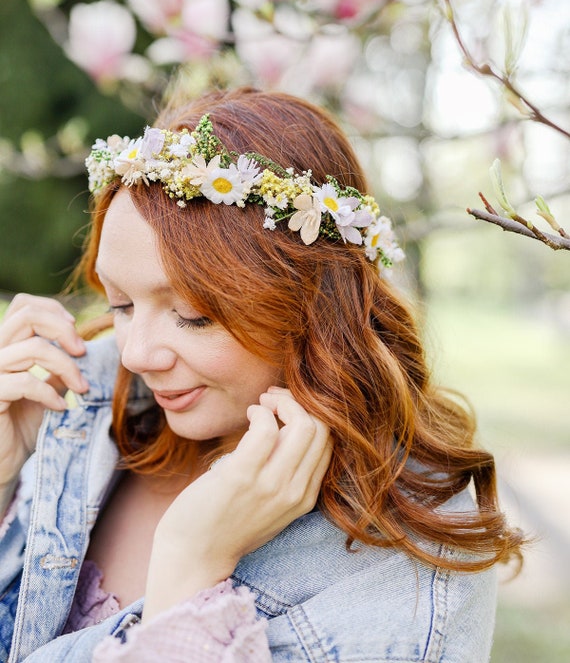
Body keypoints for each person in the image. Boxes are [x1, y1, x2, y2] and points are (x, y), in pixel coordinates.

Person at [0, 86, 524, 663]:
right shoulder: (83, 404)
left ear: (315, 310)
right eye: (121, 304)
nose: (135, 356)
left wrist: (190, 569)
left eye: (194, 316)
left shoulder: (406, 574)